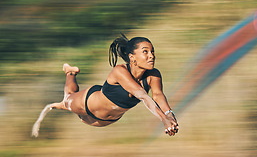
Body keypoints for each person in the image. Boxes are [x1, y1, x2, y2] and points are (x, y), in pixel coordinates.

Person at [32, 34, 179, 137]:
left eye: (152, 51)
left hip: (103, 121)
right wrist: (164, 120)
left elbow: (158, 96)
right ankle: (70, 73)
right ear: (132, 58)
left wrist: (170, 116)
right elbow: (142, 95)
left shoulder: (154, 75)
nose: (151, 55)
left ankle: (70, 74)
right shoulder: (119, 71)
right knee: (67, 100)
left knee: (74, 110)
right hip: (87, 103)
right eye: (145, 52)